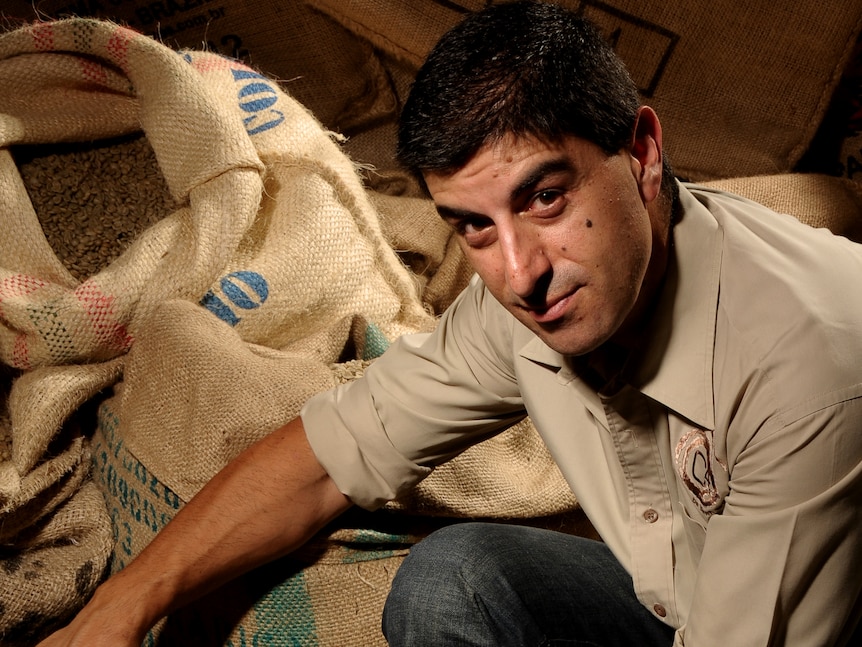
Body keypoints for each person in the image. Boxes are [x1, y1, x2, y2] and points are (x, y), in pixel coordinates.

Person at [40, 1, 862, 646]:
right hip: (686, 598)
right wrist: (116, 611)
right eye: (473, 224)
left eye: (547, 197)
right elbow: (326, 463)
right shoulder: (528, 295)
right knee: (452, 579)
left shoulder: (810, 363)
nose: (519, 273)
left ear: (643, 151)